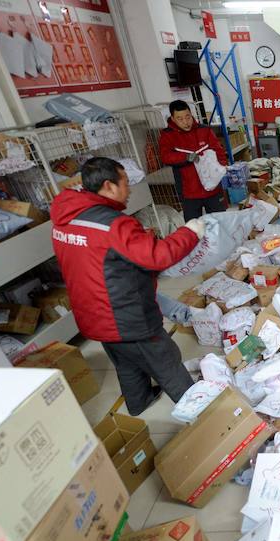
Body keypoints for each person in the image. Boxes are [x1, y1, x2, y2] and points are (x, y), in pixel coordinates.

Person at [50, 157, 205, 415]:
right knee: (166, 361)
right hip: (126, 317)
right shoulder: (114, 224)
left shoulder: (65, 220)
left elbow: (99, 255)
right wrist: (190, 232)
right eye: (126, 183)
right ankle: (203, 416)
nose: (130, 189)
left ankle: (139, 402)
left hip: (92, 315)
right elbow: (157, 257)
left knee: (126, 361)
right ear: (109, 186)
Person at [159, 100, 228, 221]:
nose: (186, 122)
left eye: (188, 117)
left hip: (212, 188)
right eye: (180, 119)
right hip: (189, 192)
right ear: (173, 119)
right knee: (193, 228)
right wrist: (185, 158)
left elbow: (219, 151)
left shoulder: (204, 130)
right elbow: (166, 156)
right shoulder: (168, 136)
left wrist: (222, 168)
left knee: (221, 222)